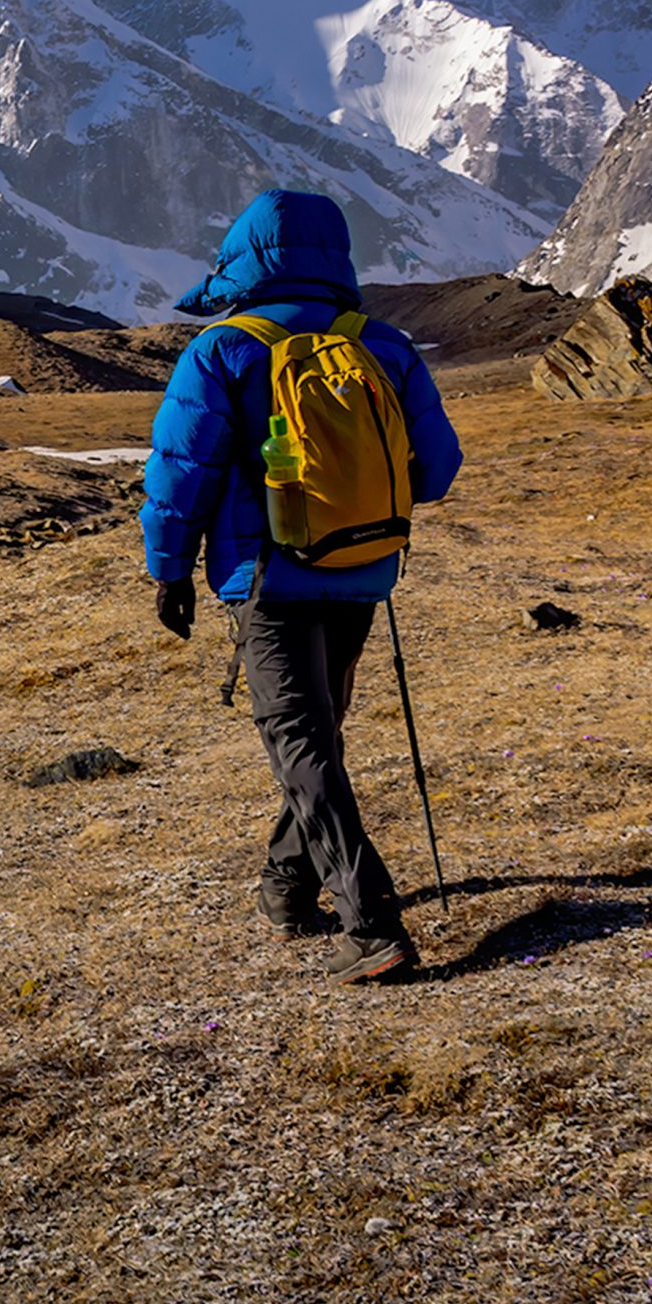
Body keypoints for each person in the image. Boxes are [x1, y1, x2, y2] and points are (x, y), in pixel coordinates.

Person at [141, 189, 463, 985]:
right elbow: (439, 470)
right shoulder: (384, 347)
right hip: (361, 571)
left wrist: (171, 570)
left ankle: (372, 922)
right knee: (316, 739)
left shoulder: (224, 349)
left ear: (244, 253)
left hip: (268, 578)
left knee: (302, 744)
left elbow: (182, 475)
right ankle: (287, 888)